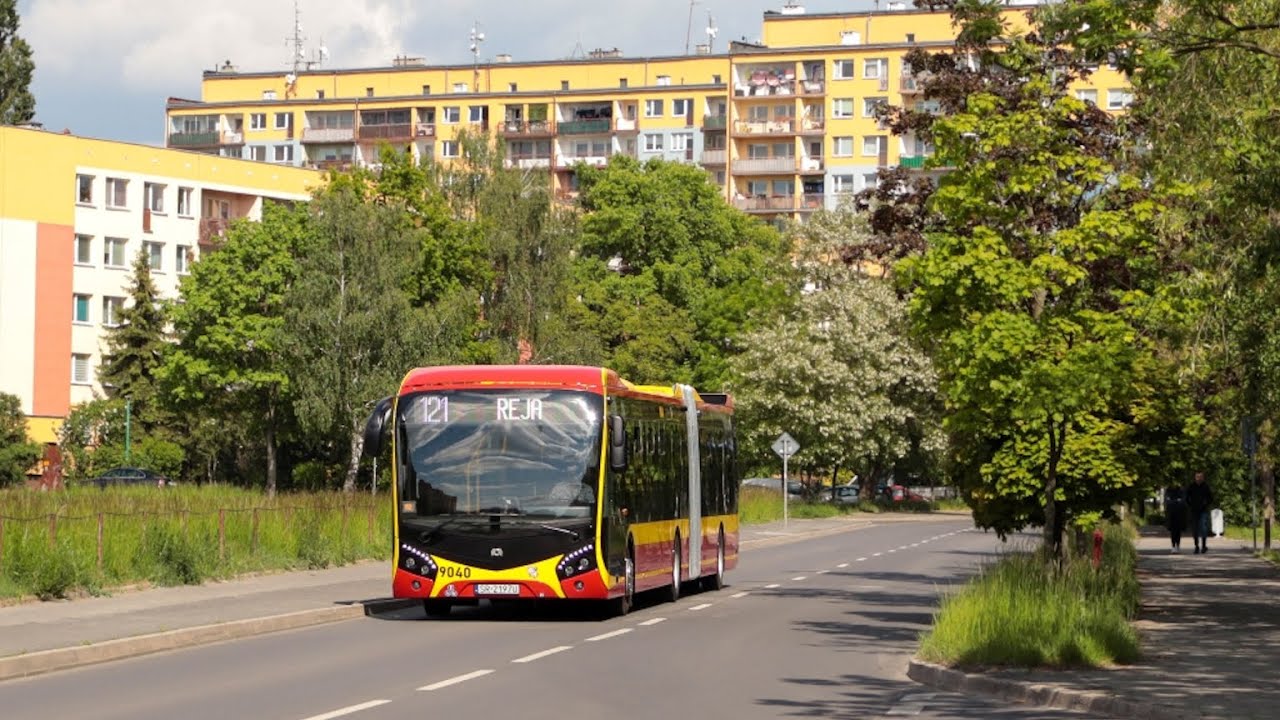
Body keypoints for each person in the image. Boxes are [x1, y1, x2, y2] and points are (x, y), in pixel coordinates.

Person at [1186, 471, 1215, 554]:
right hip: (1194, 511)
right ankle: (1196, 546)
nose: (1199, 478)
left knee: (1203, 528)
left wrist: (1206, 504)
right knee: (1195, 529)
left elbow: (1210, 498)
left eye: (1200, 477)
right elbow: (1187, 497)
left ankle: (1204, 546)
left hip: (1203, 511)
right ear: (1195, 478)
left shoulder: (1206, 486)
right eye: (1197, 477)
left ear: (1203, 478)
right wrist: (1191, 505)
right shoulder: (1191, 486)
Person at [1163, 485, 1187, 553]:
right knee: (1173, 531)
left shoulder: (1181, 490)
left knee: (1178, 531)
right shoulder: (1168, 490)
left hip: (1179, 514)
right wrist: (1177, 501)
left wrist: (1172, 501)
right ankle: (1173, 546)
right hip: (1171, 514)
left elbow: (1183, 501)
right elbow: (1167, 502)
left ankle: (1178, 546)